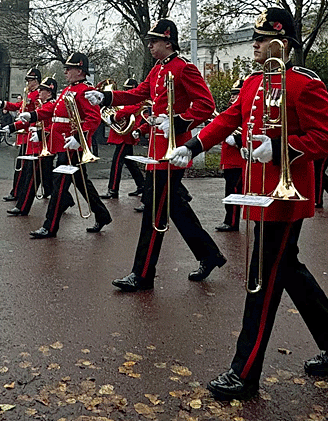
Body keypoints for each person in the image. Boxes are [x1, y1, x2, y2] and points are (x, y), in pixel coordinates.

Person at [167, 6, 328, 400]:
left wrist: (283, 147)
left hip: (287, 197)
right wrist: (193, 144)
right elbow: (228, 119)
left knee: (261, 282)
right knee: (287, 271)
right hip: (259, 190)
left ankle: (245, 372)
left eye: (261, 40)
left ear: (282, 43)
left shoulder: (305, 84)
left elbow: (327, 139)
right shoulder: (254, 82)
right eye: (253, 39)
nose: (253, 46)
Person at [85, 19, 224, 291]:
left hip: (174, 151)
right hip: (158, 149)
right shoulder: (158, 70)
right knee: (175, 208)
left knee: (153, 211)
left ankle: (143, 274)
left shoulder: (184, 68)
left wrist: (178, 121)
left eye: (154, 41)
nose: (149, 46)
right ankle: (209, 254)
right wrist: (106, 97)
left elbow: (206, 105)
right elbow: (138, 94)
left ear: (168, 42)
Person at [22, 53, 111, 238]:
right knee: (81, 182)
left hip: (72, 145)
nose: (65, 72)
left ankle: (50, 226)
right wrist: (33, 116)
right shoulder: (69, 89)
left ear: (79, 70)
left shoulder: (85, 90)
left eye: (68, 69)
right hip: (63, 144)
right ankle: (102, 214)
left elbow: (93, 119)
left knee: (59, 185)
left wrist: (79, 137)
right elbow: (54, 111)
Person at [4, 76, 57, 216]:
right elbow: (30, 121)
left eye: (42, 91)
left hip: (42, 146)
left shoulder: (52, 106)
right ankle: (65, 200)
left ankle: (22, 207)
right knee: (46, 176)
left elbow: (52, 126)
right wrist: (12, 127)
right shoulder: (43, 105)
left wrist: (41, 134)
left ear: (50, 92)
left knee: (31, 178)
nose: (39, 93)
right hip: (35, 146)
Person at [0, 68, 40, 201]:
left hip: (32, 134)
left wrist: (13, 126)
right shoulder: (30, 94)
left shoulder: (37, 95)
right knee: (27, 167)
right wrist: (4, 104)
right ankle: (17, 192)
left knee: (25, 167)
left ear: (36, 81)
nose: (27, 83)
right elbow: (19, 106)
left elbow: (35, 116)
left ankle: (17, 193)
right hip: (26, 134)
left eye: (30, 80)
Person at [100, 78, 146, 199]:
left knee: (116, 163)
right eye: (125, 90)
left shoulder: (139, 99)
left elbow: (130, 109)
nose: (127, 92)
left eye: (129, 90)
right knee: (130, 163)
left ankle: (113, 189)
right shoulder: (127, 99)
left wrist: (114, 116)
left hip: (127, 135)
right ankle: (142, 185)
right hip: (123, 135)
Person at [216, 78, 244, 232]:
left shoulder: (245, 111)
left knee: (233, 192)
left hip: (238, 159)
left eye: (237, 94)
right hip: (229, 159)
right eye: (232, 95)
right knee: (230, 191)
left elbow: (252, 131)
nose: (233, 97)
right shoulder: (230, 111)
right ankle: (230, 220)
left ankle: (232, 222)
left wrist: (237, 139)